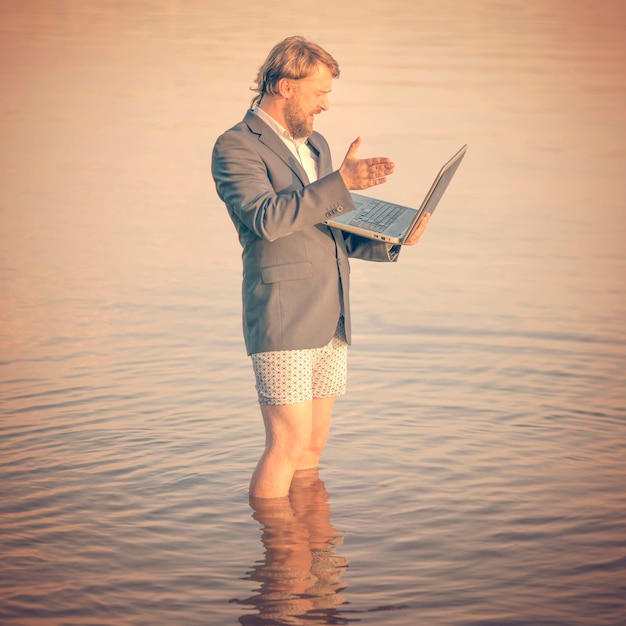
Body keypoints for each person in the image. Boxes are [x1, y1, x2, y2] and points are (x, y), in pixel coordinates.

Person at [212, 36, 429, 499]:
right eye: (319, 93)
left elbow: (327, 226)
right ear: (285, 86)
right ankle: (278, 558)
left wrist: (395, 238)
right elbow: (267, 218)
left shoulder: (317, 147)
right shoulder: (235, 146)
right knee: (286, 446)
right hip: (283, 316)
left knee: (312, 446)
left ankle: (314, 553)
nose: (325, 106)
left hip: (332, 315)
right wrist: (341, 183)